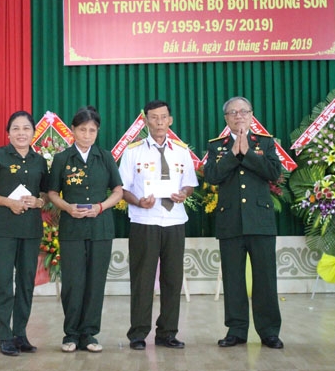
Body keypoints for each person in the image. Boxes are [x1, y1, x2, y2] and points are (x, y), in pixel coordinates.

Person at [203, 96, 284, 349]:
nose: (239, 116)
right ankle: (236, 330)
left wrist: (248, 153)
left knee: (265, 279)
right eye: (233, 113)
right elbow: (213, 176)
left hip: (260, 221)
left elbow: (274, 173)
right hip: (230, 221)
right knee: (233, 279)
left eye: (243, 111)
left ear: (251, 115)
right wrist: (232, 154)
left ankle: (269, 331)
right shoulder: (217, 146)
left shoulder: (266, 143)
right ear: (226, 118)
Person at [118, 100, 198, 351]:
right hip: (145, 221)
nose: (159, 122)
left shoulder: (182, 151)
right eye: (154, 117)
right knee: (142, 279)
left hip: (174, 220)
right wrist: (138, 202)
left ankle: (168, 333)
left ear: (170, 120)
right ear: (146, 121)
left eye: (164, 117)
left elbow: (189, 183)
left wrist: (184, 193)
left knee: (173, 279)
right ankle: (138, 333)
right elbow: (122, 189)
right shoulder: (133, 151)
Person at [47, 106, 123, 353]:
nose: (87, 134)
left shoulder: (105, 157)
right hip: (72, 228)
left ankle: (89, 334)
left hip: (101, 228)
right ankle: (71, 334)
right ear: (73, 131)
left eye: (92, 130)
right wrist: (67, 207)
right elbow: (51, 193)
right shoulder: (62, 159)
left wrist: (101, 207)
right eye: (82, 130)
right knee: (73, 282)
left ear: (97, 132)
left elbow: (118, 191)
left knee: (95, 282)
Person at [0, 111, 49, 356]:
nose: (21, 133)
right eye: (16, 128)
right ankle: (4, 336)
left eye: (26, 128)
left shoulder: (39, 161)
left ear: (33, 133)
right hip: (1, 230)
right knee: (3, 283)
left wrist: (38, 202)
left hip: (30, 230)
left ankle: (20, 334)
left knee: (27, 283)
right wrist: (9, 203)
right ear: (8, 133)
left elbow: (46, 195)